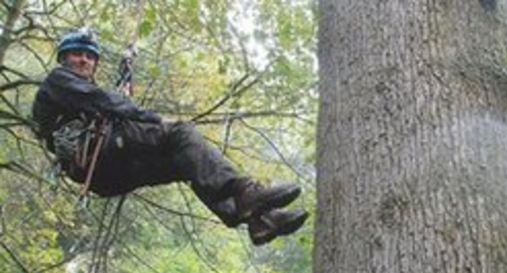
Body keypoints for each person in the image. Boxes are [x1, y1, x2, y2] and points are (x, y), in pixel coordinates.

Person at [32, 28, 308, 246]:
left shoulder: (78, 96)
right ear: (63, 58)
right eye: (77, 54)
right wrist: (154, 119)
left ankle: (259, 220)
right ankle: (246, 192)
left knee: (185, 161)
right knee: (180, 133)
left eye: (90, 56)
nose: (84, 60)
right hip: (100, 155)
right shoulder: (57, 81)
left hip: (109, 172)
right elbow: (105, 102)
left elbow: (104, 102)